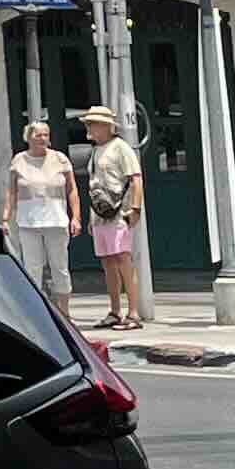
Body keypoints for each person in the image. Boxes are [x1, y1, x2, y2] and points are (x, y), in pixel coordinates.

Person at [82, 110, 144, 329]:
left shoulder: (121, 147)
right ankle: (115, 310)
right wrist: (91, 217)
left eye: (95, 124)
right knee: (107, 262)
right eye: (89, 124)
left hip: (119, 212)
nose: (90, 128)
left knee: (123, 259)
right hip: (100, 214)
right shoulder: (96, 151)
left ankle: (134, 313)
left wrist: (135, 208)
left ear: (108, 126)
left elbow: (136, 179)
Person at [6, 120, 79, 307]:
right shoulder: (19, 160)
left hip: (56, 220)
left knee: (59, 268)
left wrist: (75, 217)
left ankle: (65, 312)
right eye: (38, 134)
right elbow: (11, 191)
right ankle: (36, 311)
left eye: (46, 134)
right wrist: (6, 217)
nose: (43, 138)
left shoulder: (60, 159)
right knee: (32, 269)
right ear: (28, 137)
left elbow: (72, 190)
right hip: (28, 222)